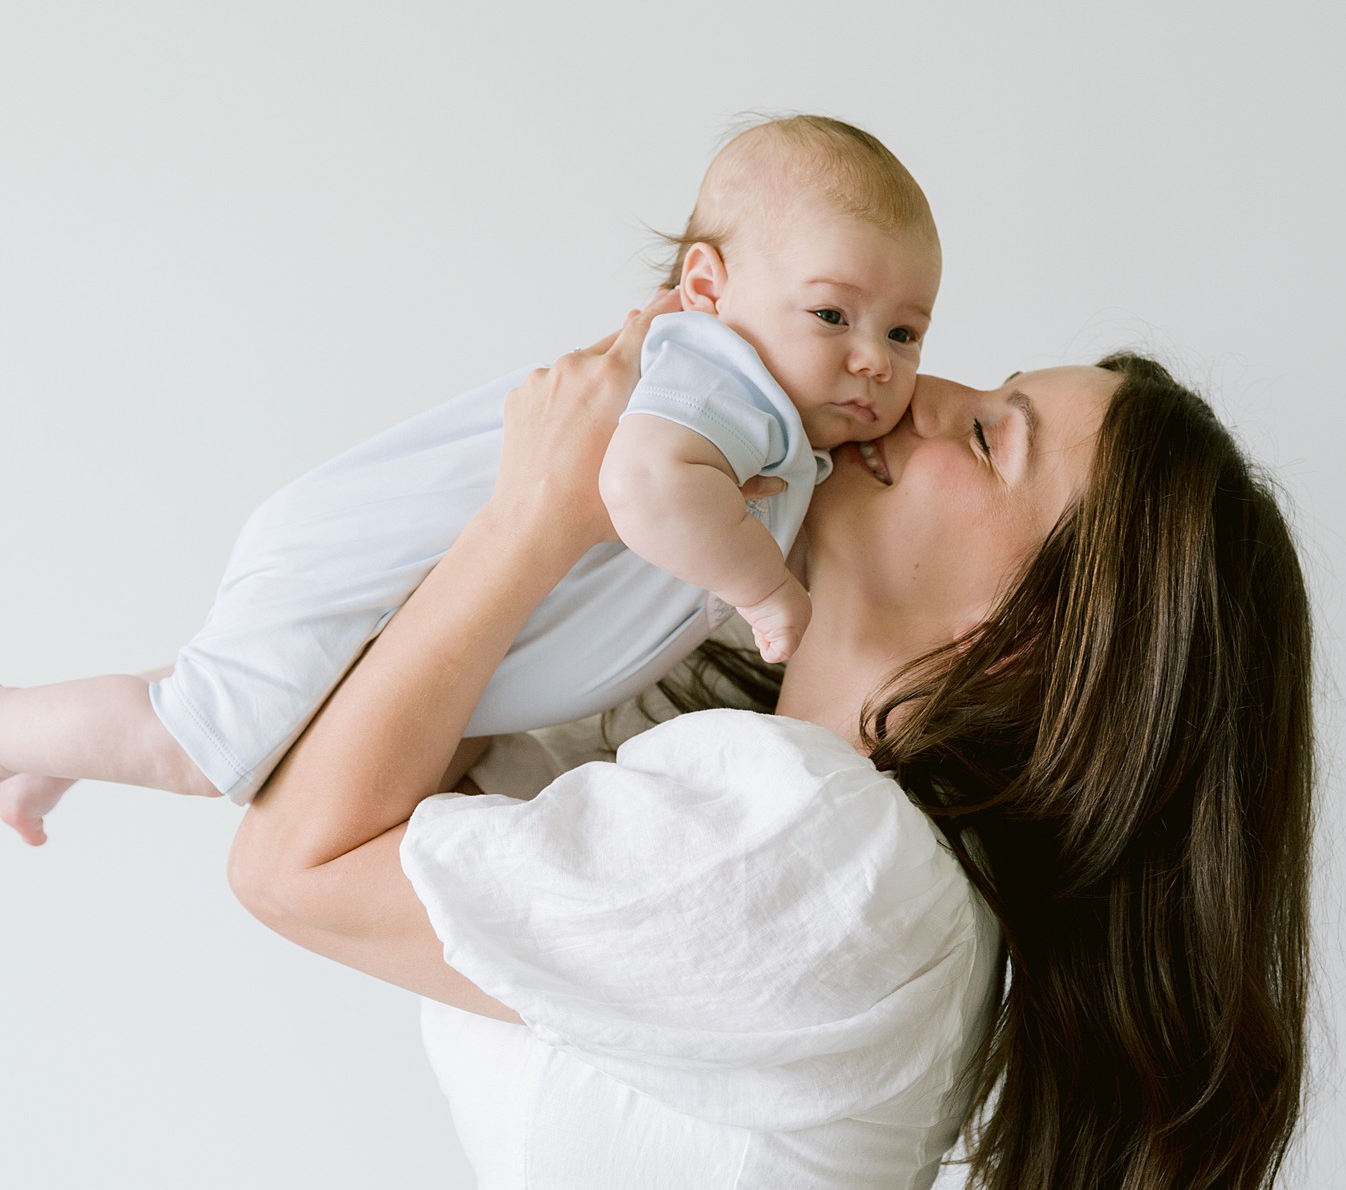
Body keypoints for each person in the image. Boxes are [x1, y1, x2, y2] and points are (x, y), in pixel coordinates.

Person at [227, 312, 1315, 1190]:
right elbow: (387, 754)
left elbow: (296, 857)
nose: (917, 393)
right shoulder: (751, 783)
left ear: (1026, 642)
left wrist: (534, 511)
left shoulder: (820, 854)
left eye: (989, 432)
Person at [0, 114, 939, 844]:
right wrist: (768, 594)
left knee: (276, 717)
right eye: (832, 314)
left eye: (904, 332)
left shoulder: (767, 422)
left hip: (385, 579)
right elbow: (652, 489)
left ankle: (55, 751)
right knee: (202, 747)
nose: (875, 362)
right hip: (374, 550)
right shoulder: (718, 379)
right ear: (705, 287)